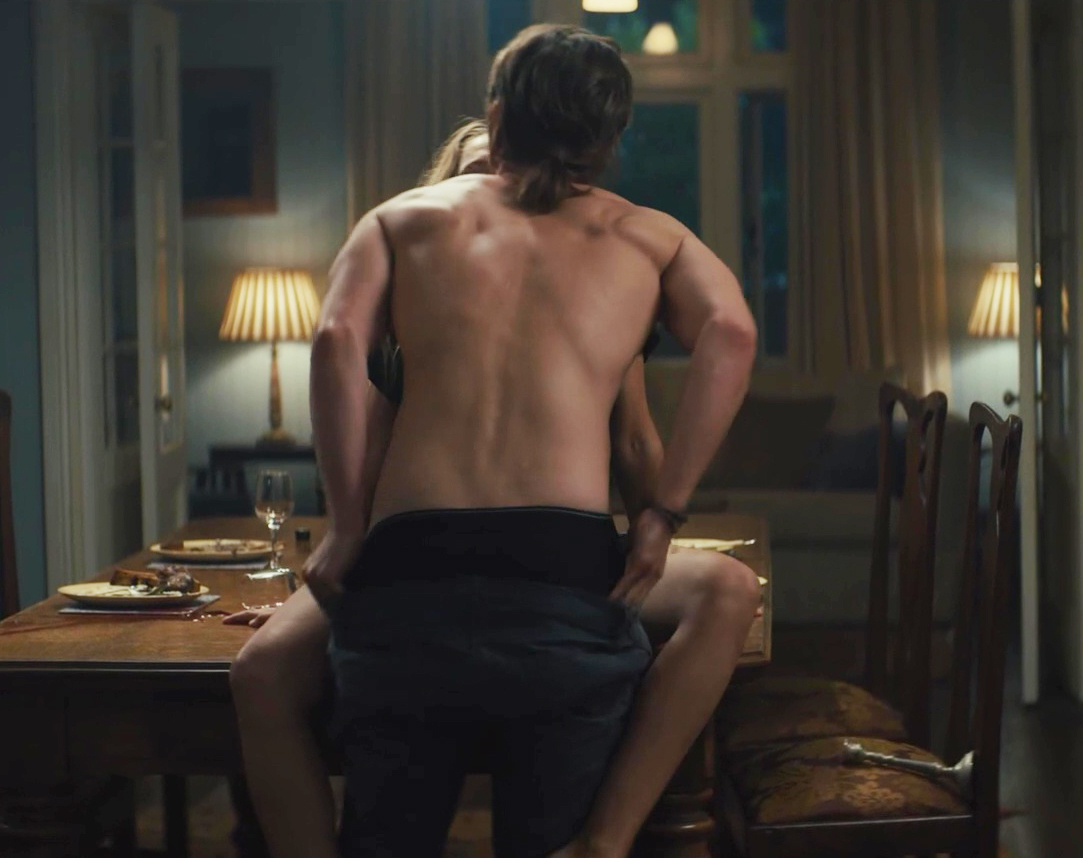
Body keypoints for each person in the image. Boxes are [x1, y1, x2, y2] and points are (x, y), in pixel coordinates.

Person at [226, 116, 764, 858]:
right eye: (477, 174)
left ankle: (608, 835)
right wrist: (339, 564)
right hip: (419, 560)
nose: (501, 191)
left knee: (729, 588)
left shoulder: (593, 301)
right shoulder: (412, 307)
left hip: (555, 559)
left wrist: (655, 526)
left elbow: (637, 440)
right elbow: (367, 476)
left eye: (509, 175)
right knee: (259, 668)